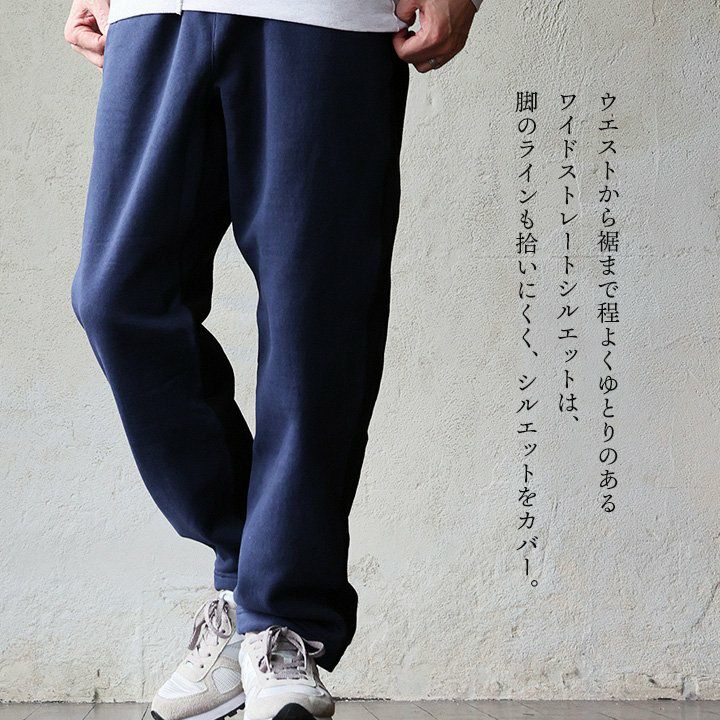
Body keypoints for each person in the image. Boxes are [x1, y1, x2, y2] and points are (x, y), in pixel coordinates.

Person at [64, 0, 480, 719]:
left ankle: (282, 618)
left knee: (316, 319)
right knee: (116, 297)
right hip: (154, 13)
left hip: (327, 17)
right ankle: (253, 574)